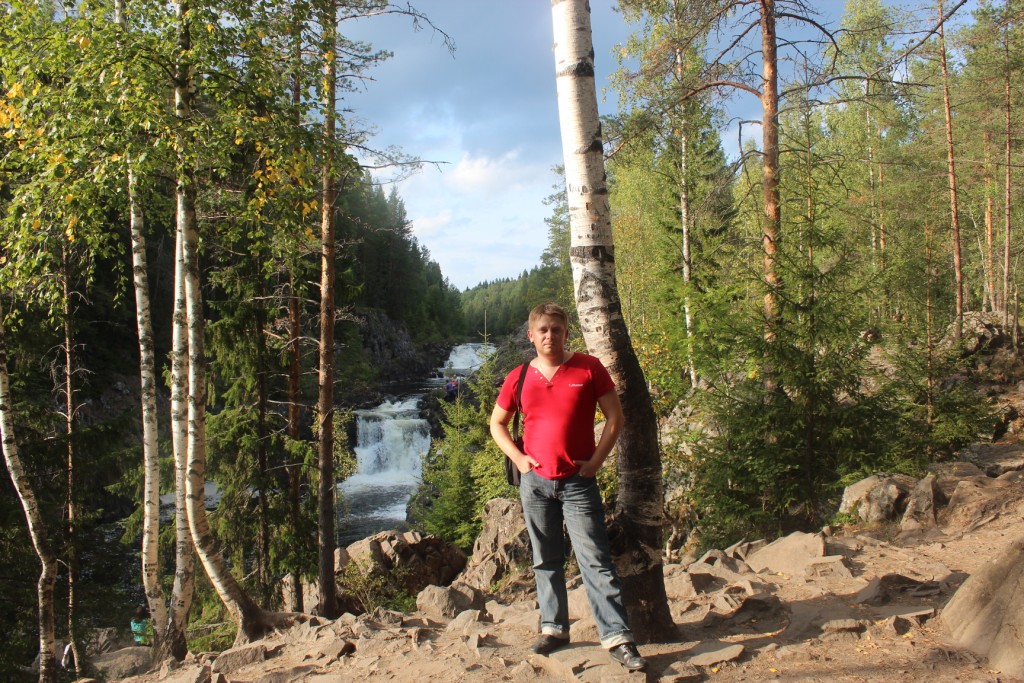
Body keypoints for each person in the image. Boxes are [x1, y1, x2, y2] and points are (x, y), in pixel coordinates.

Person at [489, 302, 646, 671]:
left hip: (578, 482)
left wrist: (596, 461)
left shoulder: (589, 368)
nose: (550, 336)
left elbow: (615, 418)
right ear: (531, 335)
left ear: (566, 332)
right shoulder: (518, 377)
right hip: (535, 484)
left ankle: (617, 637)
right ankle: (554, 628)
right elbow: (497, 423)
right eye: (543, 330)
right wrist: (519, 459)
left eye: (556, 329)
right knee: (545, 559)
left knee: (595, 560)